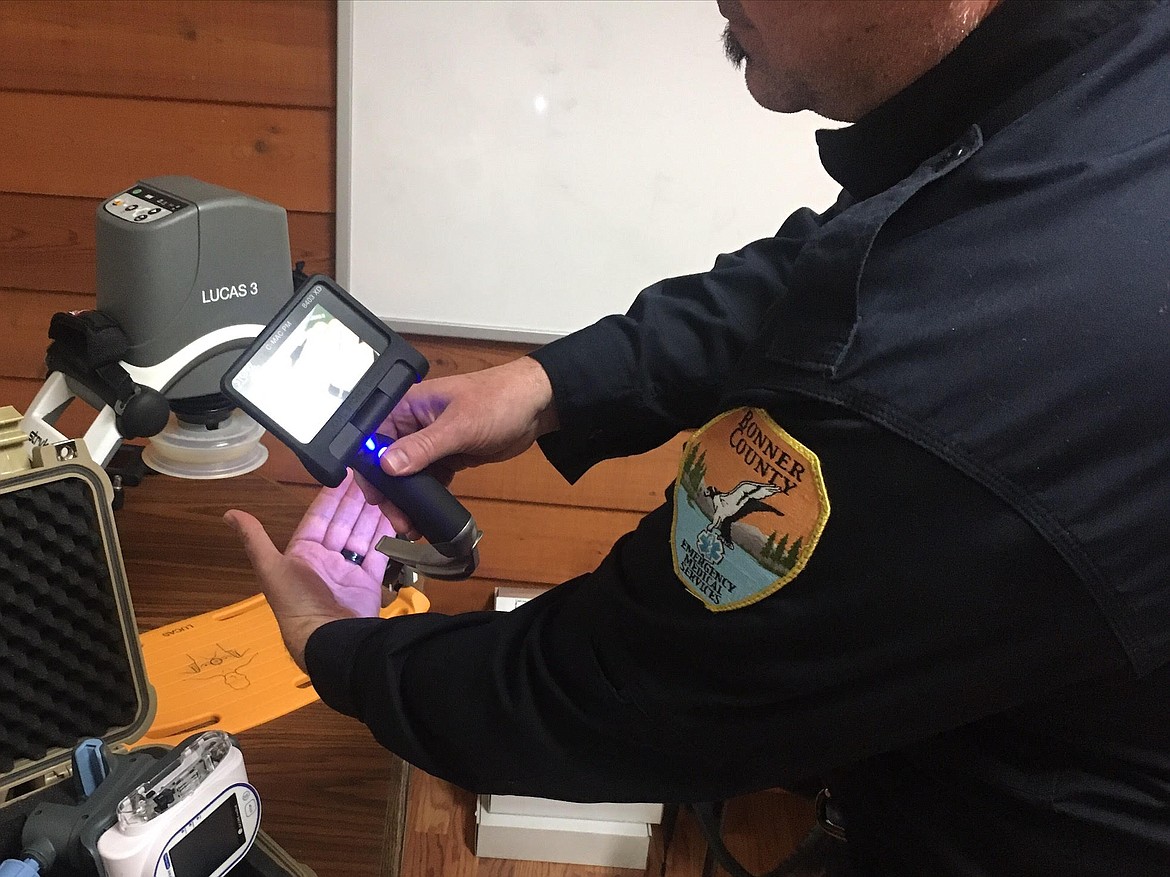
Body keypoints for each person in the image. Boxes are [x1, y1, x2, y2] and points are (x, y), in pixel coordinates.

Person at [224, 1, 1170, 873]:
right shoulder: (1101, 67)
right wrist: (550, 384)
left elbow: (610, 689)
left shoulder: (945, 382)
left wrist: (333, 641)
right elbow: (829, 265)